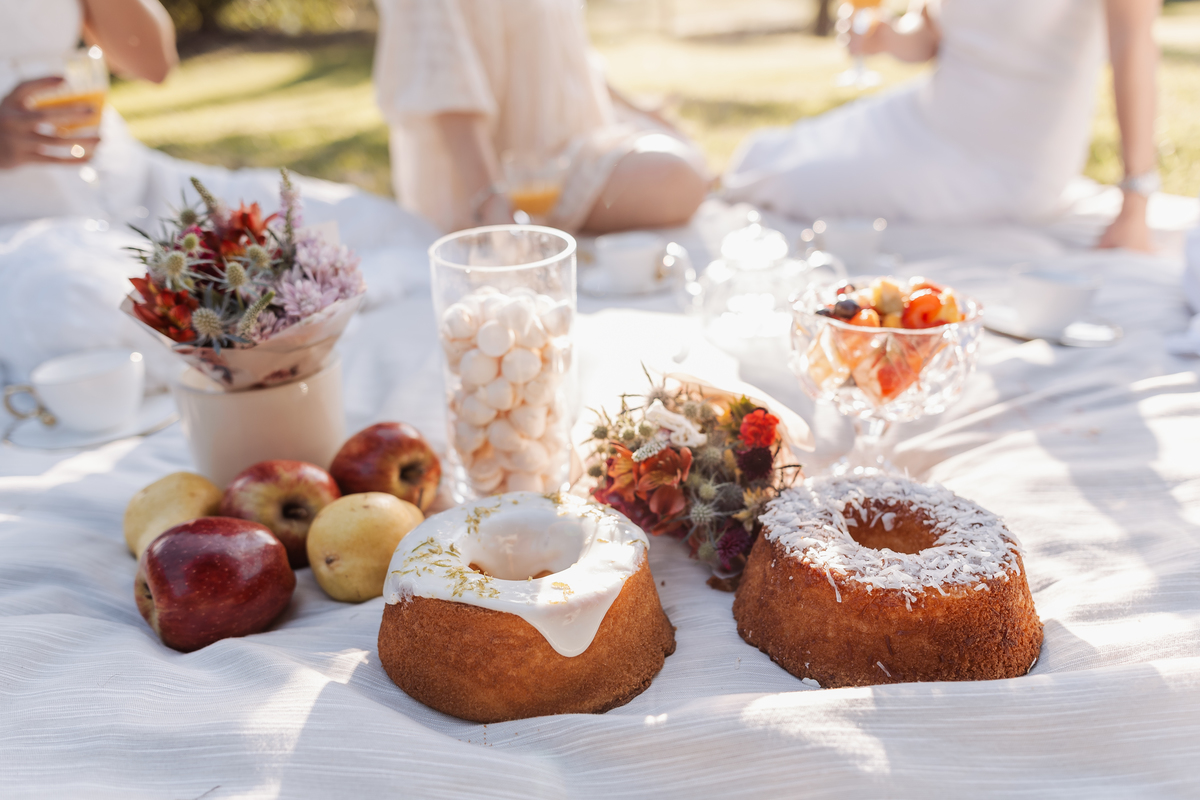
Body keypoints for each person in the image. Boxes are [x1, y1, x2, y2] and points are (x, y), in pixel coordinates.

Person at [0, 0, 439, 386]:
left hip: (137, 185)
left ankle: (294, 326)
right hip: (22, 232)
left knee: (377, 224)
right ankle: (293, 335)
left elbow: (152, 62)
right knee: (84, 305)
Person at [723, 0, 1161, 252]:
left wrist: (1135, 206)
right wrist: (886, 37)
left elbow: (1135, 50)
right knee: (765, 151)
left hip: (1003, 161)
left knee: (786, 180)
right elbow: (933, 34)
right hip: (922, 114)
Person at [373, 0, 711, 234]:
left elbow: (566, 51)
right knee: (679, 176)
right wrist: (490, 204)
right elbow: (443, 79)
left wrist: (638, 109)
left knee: (689, 158)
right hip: (508, 173)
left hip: (576, 139)